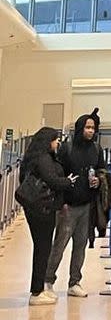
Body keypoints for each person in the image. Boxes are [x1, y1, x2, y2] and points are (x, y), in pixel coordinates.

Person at [44, 109, 105, 298]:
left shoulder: (96, 149)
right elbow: (56, 174)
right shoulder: (66, 149)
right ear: (80, 128)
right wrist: (59, 202)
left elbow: (101, 169)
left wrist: (99, 180)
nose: (90, 131)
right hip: (67, 206)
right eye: (87, 127)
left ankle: (75, 281)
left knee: (81, 245)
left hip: (87, 205)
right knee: (59, 245)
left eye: (93, 128)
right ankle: (47, 280)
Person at [20, 128, 78, 305]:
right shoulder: (43, 158)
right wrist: (68, 181)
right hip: (42, 209)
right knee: (43, 248)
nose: (57, 143)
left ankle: (39, 289)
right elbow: (51, 180)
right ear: (48, 141)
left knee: (42, 248)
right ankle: (37, 292)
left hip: (38, 208)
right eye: (55, 140)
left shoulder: (35, 157)